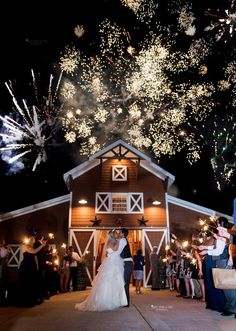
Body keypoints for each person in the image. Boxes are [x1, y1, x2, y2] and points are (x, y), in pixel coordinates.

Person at [75, 230, 127, 311]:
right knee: (110, 282)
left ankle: (111, 299)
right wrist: (119, 241)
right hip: (111, 263)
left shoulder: (108, 242)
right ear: (113, 236)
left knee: (110, 282)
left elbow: (105, 255)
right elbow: (116, 249)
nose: (118, 235)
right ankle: (107, 300)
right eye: (116, 234)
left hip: (110, 261)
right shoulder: (112, 243)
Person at [16, 235, 47, 307]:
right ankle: (25, 301)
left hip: (32, 266)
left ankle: (33, 299)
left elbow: (35, 256)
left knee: (32, 282)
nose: (34, 240)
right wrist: (42, 245)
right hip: (26, 266)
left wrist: (37, 266)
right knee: (26, 282)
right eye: (33, 239)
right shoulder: (25, 246)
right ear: (30, 240)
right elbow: (33, 252)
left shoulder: (32, 247)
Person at [117, 228, 133, 307]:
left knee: (125, 283)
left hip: (127, 263)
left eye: (120, 232)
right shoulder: (123, 240)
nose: (119, 233)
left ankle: (126, 303)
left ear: (123, 234)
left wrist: (111, 253)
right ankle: (124, 301)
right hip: (126, 263)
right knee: (124, 282)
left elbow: (119, 251)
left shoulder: (123, 240)